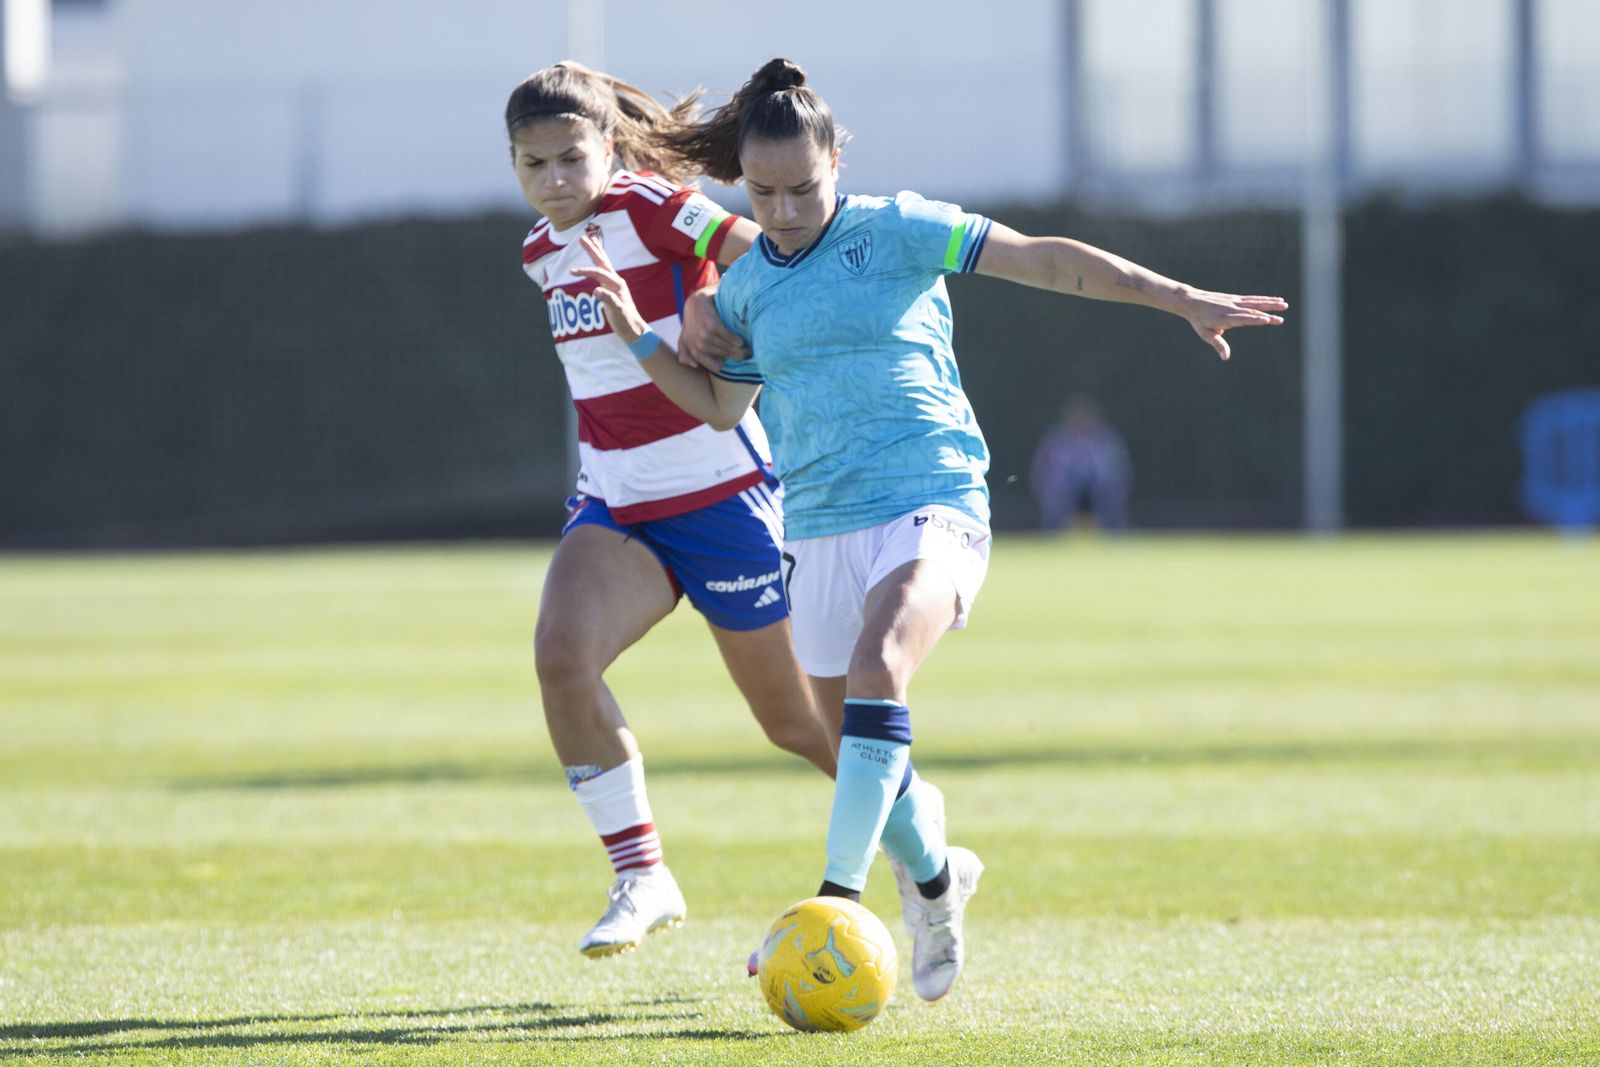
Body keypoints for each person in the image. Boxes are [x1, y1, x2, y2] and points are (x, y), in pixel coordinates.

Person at [572, 58, 1287, 1001]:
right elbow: (714, 407)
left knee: (878, 674)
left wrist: (1177, 298)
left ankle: (831, 903)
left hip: (933, 494)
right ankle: (940, 883)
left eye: (805, 188)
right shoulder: (744, 293)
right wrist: (638, 333)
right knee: (866, 745)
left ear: (839, 159)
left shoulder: (897, 228)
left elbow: (1046, 258)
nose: (784, 211)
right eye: (765, 192)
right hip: (817, 523)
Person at [506, 62, 838, 960]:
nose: (555, 181)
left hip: (721, 498)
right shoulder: (540, 250)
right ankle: (642, 873)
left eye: (571, 158)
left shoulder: (656, 205)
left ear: (608, 148)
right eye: (532, 165)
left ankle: (922, 839)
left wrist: (711, 307)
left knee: (796, 723)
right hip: (616, 502)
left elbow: (763, 252)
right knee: (560, 657)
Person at [1030, 396, 1134, 532]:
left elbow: (1120, 470)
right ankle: (1052, 534)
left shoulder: (1107, 439)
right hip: (1065, 492)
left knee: (1110, 501)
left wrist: (1116, 491)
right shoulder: (1055, 440)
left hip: (1100, 492)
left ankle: (1116, 534)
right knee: (1056, 502)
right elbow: (1042, 470)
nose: (1081, 419)